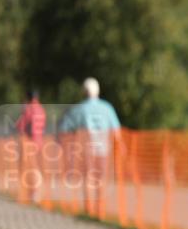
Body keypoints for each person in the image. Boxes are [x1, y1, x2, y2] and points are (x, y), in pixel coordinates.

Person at [58, 78, 121, 216]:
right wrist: (121, 147)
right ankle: (100, 210)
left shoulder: (79, 109)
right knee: (101, 179)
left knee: (88, 178)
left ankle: (89, 209)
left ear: (85, 91)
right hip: (103, 150)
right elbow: (117, 131)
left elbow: (64, 128)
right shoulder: (107, 108)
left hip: (87, 150)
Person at [15, 90, 47, 202]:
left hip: (29, 142)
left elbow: (20, 126)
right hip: (39, 141)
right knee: (36, 167)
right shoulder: (41, 109)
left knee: (30, 168)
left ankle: (34, 193)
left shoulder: (29, 109)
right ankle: (37, 192)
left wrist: (22, 110)